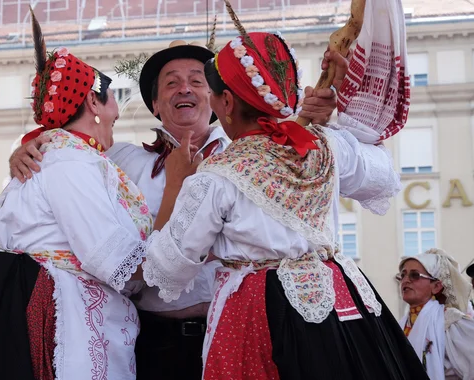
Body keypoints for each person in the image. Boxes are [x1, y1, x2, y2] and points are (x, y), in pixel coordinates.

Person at [10, 40, 338, 380]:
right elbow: (64, 166)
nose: (185, 88)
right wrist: (29, 149)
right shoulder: (119, 161)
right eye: (171, 82)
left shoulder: (251, 155)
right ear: (155, 103)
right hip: (153, 340)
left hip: (241, 329)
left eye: (197, 81)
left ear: (218, 99)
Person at [140, 19, 428, 380]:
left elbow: (167, 268)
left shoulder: (216, 174)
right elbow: (382, 175)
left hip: (258, 314)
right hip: (339, 300)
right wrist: (334, 116)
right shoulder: (327, 144)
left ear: (226, 102)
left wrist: (179, 196)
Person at [0, 13, 152, 380]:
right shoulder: (69, 160)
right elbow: (109, 254)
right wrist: (180, 257)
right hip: (68, 320)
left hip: (65, 309)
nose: (116, 112)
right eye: (113, 99)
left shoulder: (63, 155)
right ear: (94, 104)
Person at [398, 249, 474, 379]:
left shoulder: (450, 321)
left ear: (437, 286)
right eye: (403, 275)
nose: (406, 280)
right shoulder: (399, 324)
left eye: (414, 275)